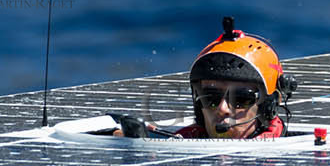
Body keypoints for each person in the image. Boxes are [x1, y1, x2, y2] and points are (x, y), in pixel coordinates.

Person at [108, 18, 294, 139]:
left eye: (241, 99)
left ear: (268, 107)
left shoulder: (288, 164)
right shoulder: (182, 142)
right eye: (210, 98)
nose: (222, 109)